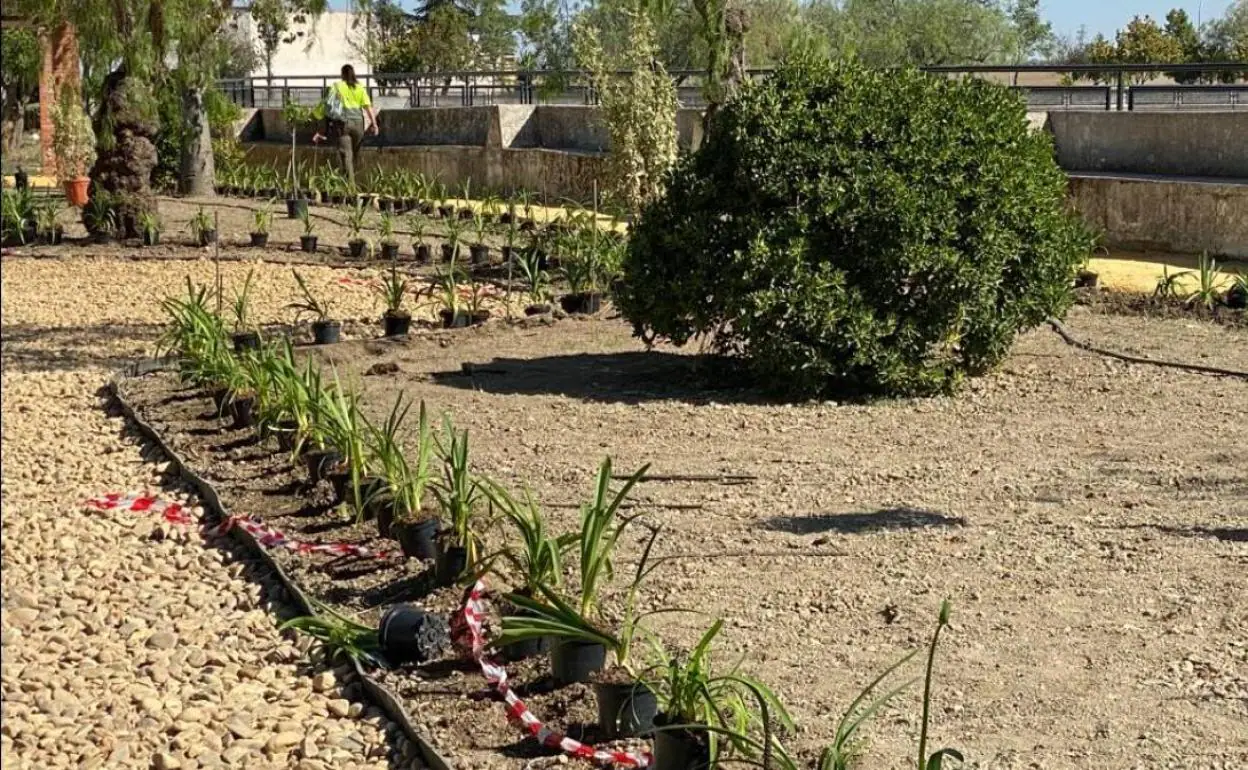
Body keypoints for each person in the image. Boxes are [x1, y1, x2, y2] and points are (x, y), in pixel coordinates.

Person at [312, 64, 379, 189]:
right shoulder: (360, 88)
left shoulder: (337, 86)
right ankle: (354, 184)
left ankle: (350, 188)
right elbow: (368, 107)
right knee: (355, 154)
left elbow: (328, 104)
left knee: (346, 156)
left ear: (342, 74)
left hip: (343, 124)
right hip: (359, 123)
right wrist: (374, 124)